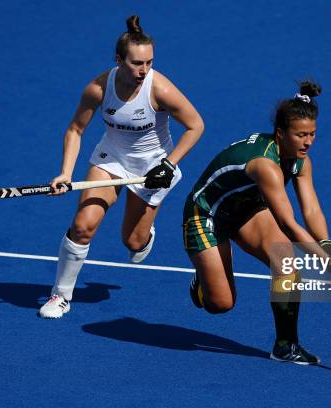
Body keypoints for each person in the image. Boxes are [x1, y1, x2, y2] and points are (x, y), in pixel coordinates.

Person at [39, 15, 204, 318]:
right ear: (118, 60)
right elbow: (76, 129)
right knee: (82, 225)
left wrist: (169, 164)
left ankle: (145, 235)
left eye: (149, 63)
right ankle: (60, 296)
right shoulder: (98, 89)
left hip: (153, 168)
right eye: (137, 63)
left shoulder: (160, 89)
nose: (144, 71)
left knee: (133, 242)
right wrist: (65, 172)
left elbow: (196, 125)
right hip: (112, 158)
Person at [182, 80, 331, 364]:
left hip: (245, 210)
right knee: (221, 304)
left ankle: (285, 346)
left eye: (313, 134)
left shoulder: (301, 160)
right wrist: (329, 264)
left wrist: (328, 247)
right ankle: (203, 280)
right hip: (206, 215)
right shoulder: (266, 165)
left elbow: (311, 210)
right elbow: (289, 224)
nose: (308, 142)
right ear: (280, 133)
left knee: (286, 260)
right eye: (301, 135)